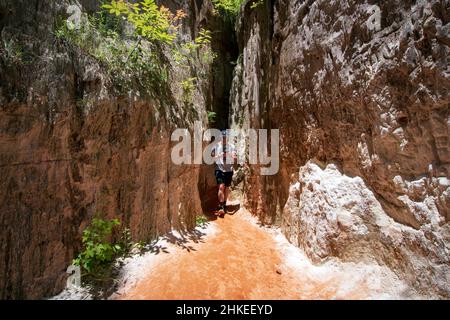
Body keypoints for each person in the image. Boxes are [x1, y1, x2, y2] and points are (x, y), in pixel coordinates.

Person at [212, 130, 237, 217]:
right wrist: (219, 155)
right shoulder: (216, 146)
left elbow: (234, 157)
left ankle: (224, 205)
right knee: (221, 186)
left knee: (226, 188)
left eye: (226, 137)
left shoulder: (232, 146)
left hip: (229, 170)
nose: (224, 139)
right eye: (223, 137)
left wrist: (228, 154)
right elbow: (212, 158)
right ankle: (221, 206)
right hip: (219, 169)